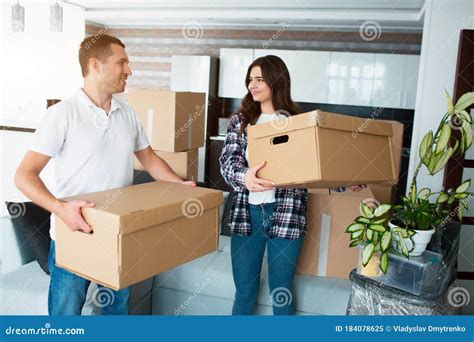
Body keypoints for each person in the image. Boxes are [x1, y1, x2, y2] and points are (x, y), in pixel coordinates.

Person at [14, 34, 195, 316]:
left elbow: (148, 158)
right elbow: (24, 175)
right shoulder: (62, 114)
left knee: (116, 314)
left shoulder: (128, 113)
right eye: (121, 62)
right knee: (65, 317)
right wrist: (61, 209)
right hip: (73, 235)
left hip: (117, 235)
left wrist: (179, 185)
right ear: (96, 65)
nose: (129, 70)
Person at [219, 55, 365, 315]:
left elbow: (316, 167)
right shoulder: (240, 122)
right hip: (247, 215)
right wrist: (245, 177)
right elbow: (227, 163)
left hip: (286, 213)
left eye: (260, 79)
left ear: (277, 81)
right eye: (250, 80)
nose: (253, 85)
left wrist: (345, 181)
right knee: (244, 291)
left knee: (281, 291)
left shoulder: (299, 121)